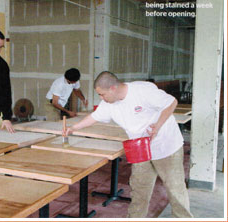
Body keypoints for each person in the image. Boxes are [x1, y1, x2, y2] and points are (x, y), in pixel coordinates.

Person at [64, 71, 193, 218]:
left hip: (165, 145)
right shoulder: (108, 103)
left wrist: (157, 126)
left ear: (113, 88)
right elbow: (94, 117)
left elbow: (171, 102)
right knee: (139, 191)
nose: (101, 98)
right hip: (140, 149)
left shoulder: (142, 91)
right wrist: (73, 128)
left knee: (175, 189)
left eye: (102, 94)